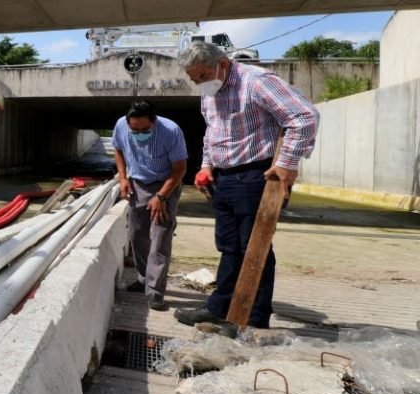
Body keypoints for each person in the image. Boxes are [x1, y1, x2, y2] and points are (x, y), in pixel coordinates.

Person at [173, 42, 319, 329]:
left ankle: (252, 318)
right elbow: (212, 131)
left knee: (255, 247)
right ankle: (220, 308)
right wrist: (206, 165)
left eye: (202, 76)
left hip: (255, 176)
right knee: (230, 247)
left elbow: (304, 117)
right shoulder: (209, 92)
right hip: (224, 179)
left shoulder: (256, 82)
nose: (200, 83)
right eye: (194, 79)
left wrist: (287, 163)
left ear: (222, 64)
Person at [113, 100, 188, 311]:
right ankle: (143, 279)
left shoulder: (171, 131)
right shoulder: (121, 125)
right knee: (137, 235)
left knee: (160, 239)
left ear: (154, 121)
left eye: (145, 129)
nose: (139, 133)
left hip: (166, 185)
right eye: (134, 130)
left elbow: (180, 169)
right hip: (137, 184)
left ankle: (155, 292)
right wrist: (123, 179)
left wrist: (162, 197)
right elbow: (118, 149)